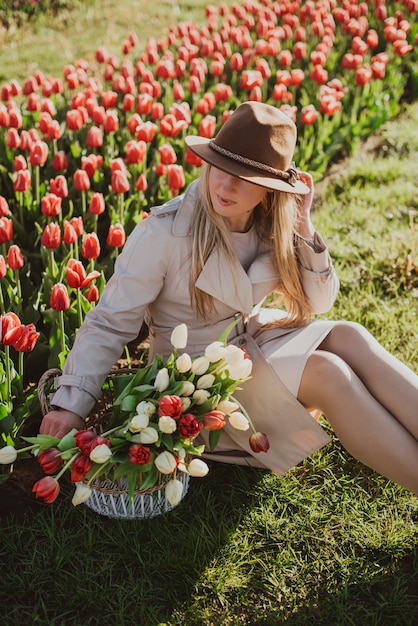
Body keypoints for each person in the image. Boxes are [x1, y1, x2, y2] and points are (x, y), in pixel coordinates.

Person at [40, 101, 418, 495]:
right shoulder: (166, 233)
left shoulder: (272, 221)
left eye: (244, 177)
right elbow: (109, 320)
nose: (225, 186)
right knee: (328, 373)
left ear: (271, 187)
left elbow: (319, 302)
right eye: (220, 168)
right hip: (191, 378)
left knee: (349, 335)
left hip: (246, 343)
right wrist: (71, 404)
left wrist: (304, 226)